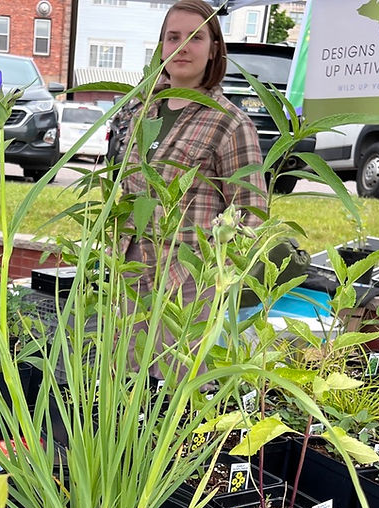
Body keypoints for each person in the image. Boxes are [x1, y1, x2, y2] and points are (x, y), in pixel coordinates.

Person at [117, 0, 267, 366]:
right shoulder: (144, 112)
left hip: (184, 282)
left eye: (195, 37)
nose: (182, 47)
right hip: (128, 271)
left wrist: (212, 272)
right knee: (124, 381)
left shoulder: (229, 122)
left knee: (173, 390)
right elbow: (127, 191)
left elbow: (252, 210)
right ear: (161, 48)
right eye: (172, 37)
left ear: (215, 48)